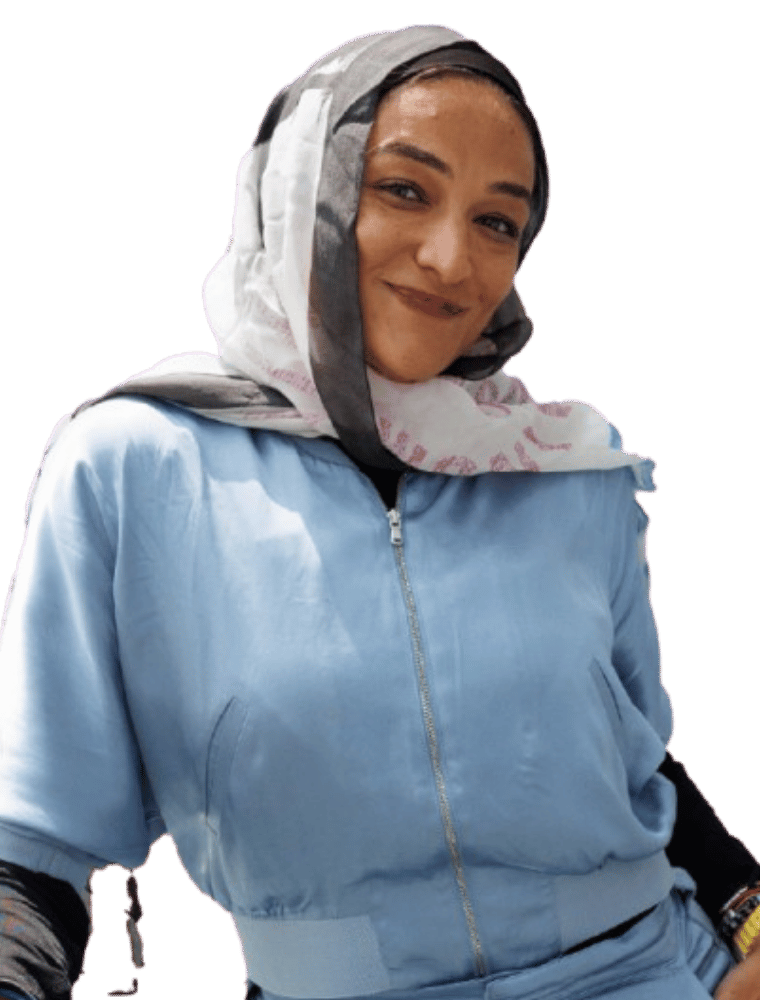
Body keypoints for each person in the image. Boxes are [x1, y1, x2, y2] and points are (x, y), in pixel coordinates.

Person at [0, 23, 758, 1000]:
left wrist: (747, 911)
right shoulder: (130, 462)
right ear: (298, 192)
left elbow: (633, 757)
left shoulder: (565, 463)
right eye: (403, 189)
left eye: (497, 221)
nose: (451, 259)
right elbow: (29, 846)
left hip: (650, 971)